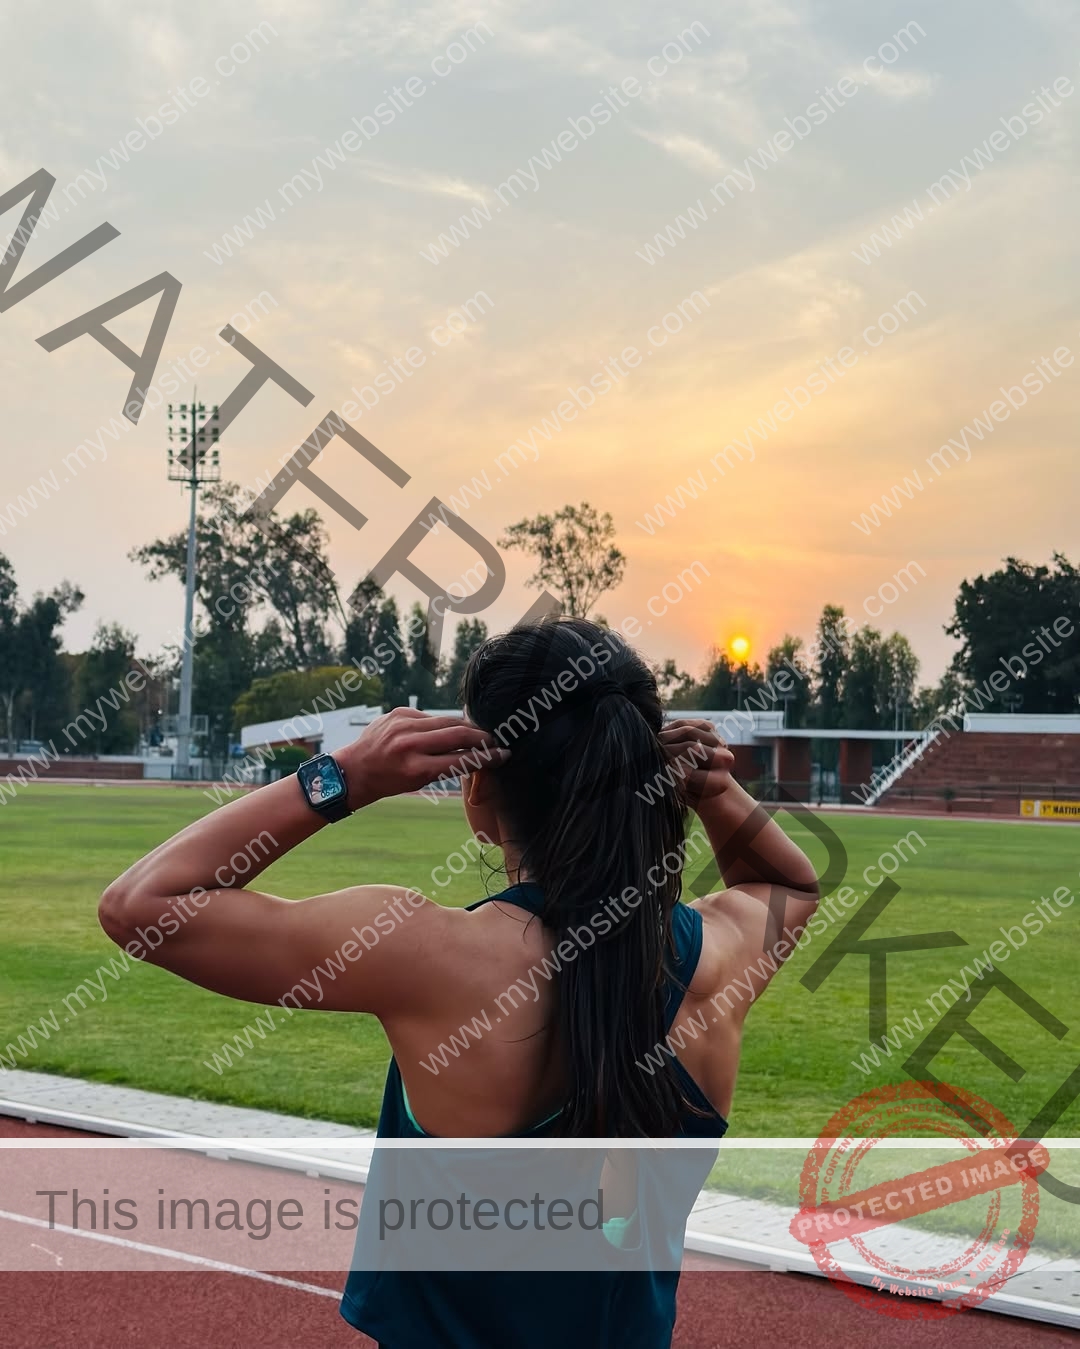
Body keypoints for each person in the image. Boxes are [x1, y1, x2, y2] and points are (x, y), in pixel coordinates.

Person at [99, 617, 820, 1347]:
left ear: (477, 791)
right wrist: (711, 791)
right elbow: (788, 882)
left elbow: (140, 906)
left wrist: (341, 777)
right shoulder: (713, 963)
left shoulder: (426, 954)